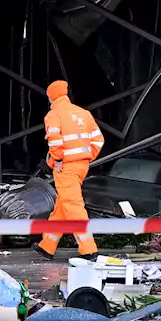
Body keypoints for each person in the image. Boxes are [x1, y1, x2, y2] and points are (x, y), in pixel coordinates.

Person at [35, 80, 104, 260]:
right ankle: (47, 245)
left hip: (65, 167)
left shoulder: (53, 114)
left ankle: (89, 249)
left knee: (73, 207)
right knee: (63, 206)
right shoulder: (84, 114)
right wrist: (86, 157)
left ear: (51, 97)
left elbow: (54, 140)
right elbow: (98, 140)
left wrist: (57, 159)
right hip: (81, 166)